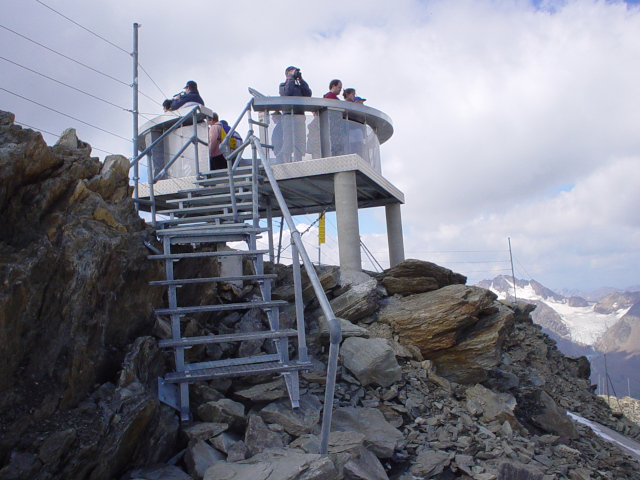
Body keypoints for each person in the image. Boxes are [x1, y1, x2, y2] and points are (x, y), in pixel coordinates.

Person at [279, 66, 312, 162]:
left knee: (300, 141)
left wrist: (301, 80)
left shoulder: (299, 86)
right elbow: (287, 92)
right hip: (288, 117)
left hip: (299, 117)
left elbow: (308, 94)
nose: (295, 73)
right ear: (286, 74)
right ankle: (286, 162)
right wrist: (291, 79)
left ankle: (298, 161)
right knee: (288, 141)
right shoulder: (282, 86)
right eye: (292, 72)